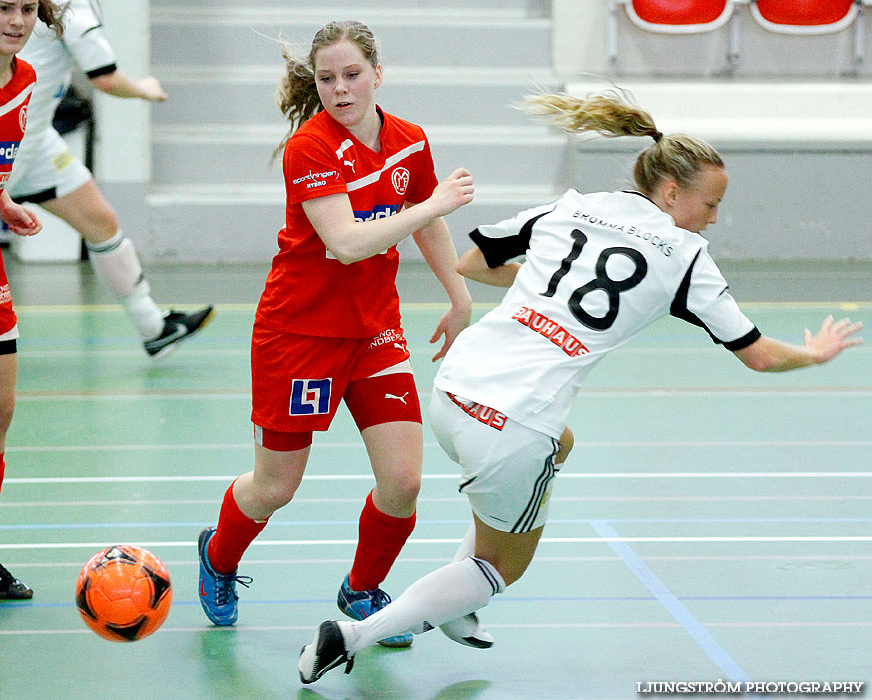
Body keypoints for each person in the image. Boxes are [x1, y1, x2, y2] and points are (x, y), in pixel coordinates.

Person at [297, 86, 865, 682]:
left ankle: (454, 603)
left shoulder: (572, 205)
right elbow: (758, 355)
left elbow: (471, 262)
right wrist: (815, 353)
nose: (714, 218)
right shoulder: (685, 253)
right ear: (671, 192)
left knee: (559, 444)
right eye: (711, 202)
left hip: (454, 388)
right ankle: (355, 633)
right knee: (502, 566)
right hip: (512, 423)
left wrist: (545, 289)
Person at [196, 20, 474, 648]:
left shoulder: (408, 141)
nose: (341, 89)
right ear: (314, 83)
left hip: (375, 329)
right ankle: (219, 555)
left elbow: (424, 225)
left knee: (403, 482)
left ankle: (360, 590)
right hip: (301, 334)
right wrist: (432, 205)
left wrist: (458, 296)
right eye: (327, 78)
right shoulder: (310, 148)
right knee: (276, 486)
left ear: (378, 73)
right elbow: (347, 244)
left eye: (352, 75)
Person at [3, 0, 213, 359]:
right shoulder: (68, 6)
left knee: (101, 222)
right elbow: (105, 77)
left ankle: (154, 328)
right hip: (1, 140)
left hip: (36, 140)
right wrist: (144, 89)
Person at [0, 0, 68, 600]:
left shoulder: (27, 79)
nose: (17, 19)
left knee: (0, 409)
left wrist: (1, 202)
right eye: (2, 6)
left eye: (27, 8)